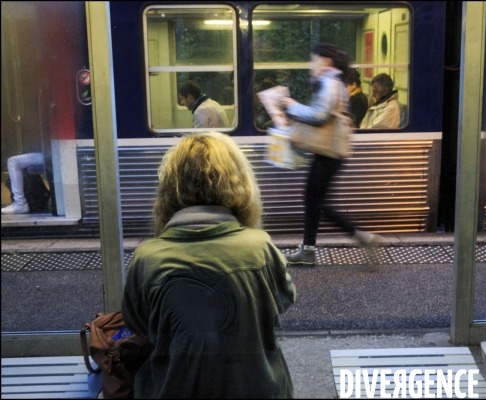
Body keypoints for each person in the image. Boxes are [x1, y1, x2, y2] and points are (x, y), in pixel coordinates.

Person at [121, 132, 296, 398]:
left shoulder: (147, 258)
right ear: (238, 181)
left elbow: (139, 324)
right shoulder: (260, 248)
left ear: (170, 186)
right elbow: (283, 301)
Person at [279, 43, 384, 266]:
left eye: (314, 60)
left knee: (315, 201)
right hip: (329, 153)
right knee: (316, 201)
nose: (311, 65)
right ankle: (314, 248)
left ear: (326, 61)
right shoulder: (333, 82)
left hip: (328, 154)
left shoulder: (329, 82)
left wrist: (292, 106)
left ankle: (353, 238)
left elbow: (320, 116)